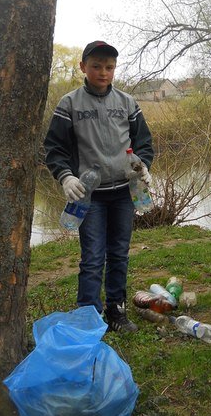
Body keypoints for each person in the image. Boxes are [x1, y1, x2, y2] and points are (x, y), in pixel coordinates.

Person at [44, 40, 154, 333]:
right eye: (96, 66)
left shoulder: (127, 103)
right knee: (92, 257)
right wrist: (66, 176)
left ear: (114, 69)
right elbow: (54, 148)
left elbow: (143, 142)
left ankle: (117, 311)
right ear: (83, 67)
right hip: (89, 195)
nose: (103, 72)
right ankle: (89, 317)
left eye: (109, 67)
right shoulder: (69, 104)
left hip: (124, 193)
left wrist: (143, 166)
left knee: (119, 253)